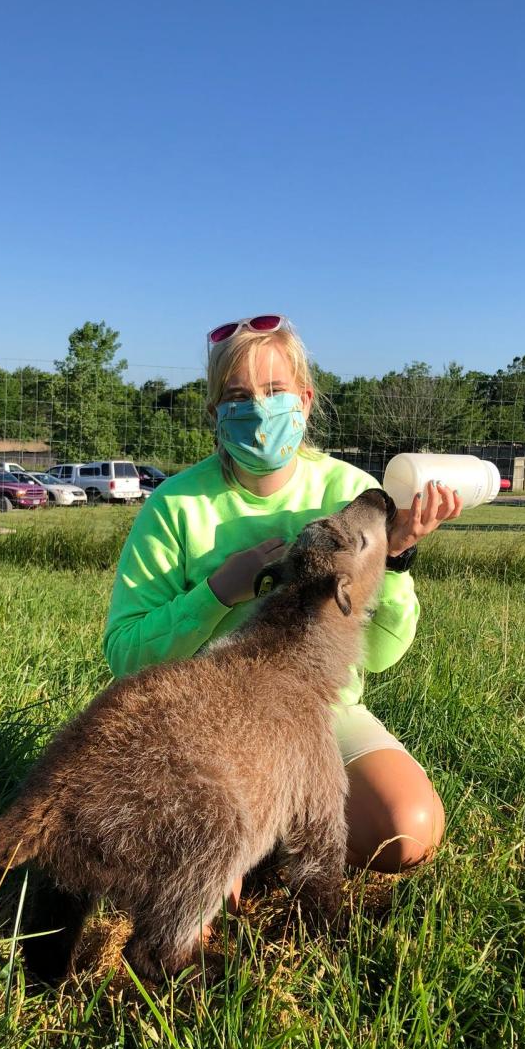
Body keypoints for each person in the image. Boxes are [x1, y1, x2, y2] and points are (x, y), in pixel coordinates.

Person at [102, 314, 462, 911]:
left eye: (274, 393)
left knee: (409, 829)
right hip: (202, 721)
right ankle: (245, 838)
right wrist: (217, 591)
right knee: (198, 882)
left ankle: (265, 833)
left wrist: (394, 560)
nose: (258, 409)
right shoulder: (175, 505)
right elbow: (126, 653)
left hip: (317, 709)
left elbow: (379, 652)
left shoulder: (349, 491)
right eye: (239, 397)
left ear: (305, 399)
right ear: (215, 409)